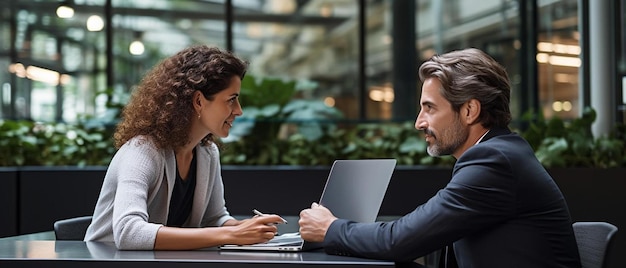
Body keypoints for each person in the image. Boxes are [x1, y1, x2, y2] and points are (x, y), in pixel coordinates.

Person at [298, 48, 581, 267]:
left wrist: (331, 228)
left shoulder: (494, 163)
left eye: (429, 108)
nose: (419, 122)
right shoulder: (498, 153)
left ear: (470, 110)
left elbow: (400, 240)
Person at [84, 45, 284, 250]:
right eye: (231, 100)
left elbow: (213, 219)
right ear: (198, 101)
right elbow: (129, 232)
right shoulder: (142, 151)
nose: (239, 110)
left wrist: (245, 227)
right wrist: (230, 233)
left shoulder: (207, 153)